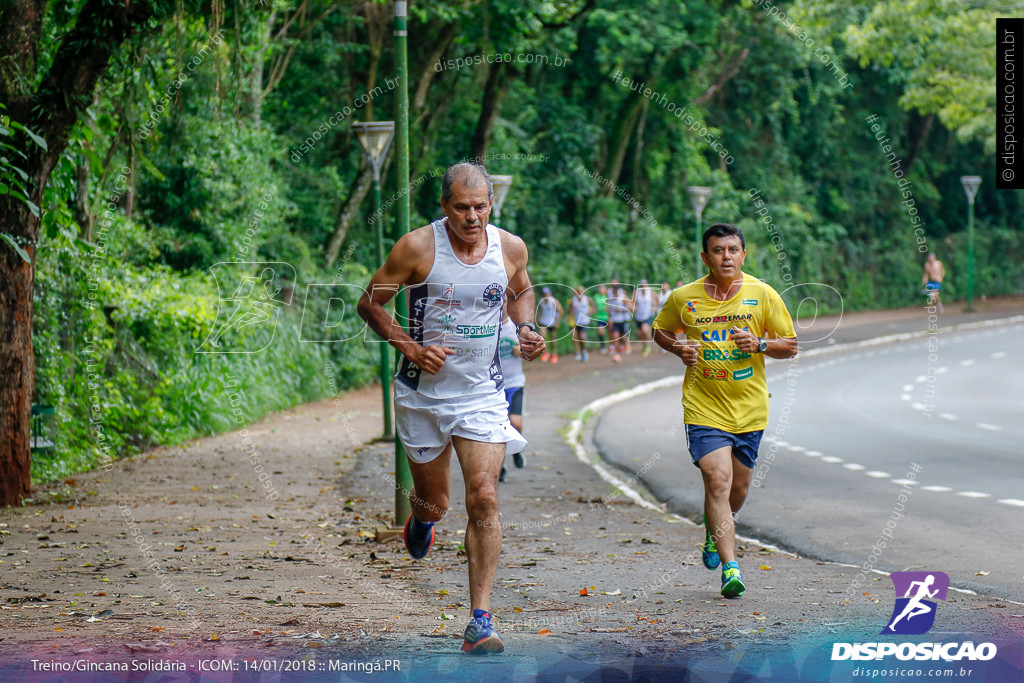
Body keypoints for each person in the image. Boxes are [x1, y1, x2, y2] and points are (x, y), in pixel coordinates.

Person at [357, 162, 546, 654]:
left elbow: (521, 290)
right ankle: (422, 522)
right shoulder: (417, 247)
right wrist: (411, 348)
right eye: (461, 207)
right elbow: (371, 304)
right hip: (422, 394)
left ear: (490, 205)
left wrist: (525, 328)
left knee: (483, 496)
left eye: (480, 207)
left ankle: (480, 619)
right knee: (435, 502)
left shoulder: (509, 247)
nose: (472, 217)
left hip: (482, 393)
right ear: (444, 207)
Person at [653, 223, 797, 598]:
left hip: (749, 408)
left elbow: (791, 345)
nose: (726, 256)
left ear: (743, 254)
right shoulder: (685, 297)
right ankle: (731, 568)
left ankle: (713, 534)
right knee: (718, 481)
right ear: (705, 257)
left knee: (738, 488)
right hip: (704, 407)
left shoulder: (762, 294)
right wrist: (677, 349)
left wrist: (761, 343)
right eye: (718, 250)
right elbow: (660, 330)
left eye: (733, 249)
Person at [496, 313, 527, 481]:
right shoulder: (488, 325)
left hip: (515, 382)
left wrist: (522, 351)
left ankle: (517, 450)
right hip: (494, 386)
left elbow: (532, 351)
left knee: (515, 422)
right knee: (497, 429)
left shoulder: (518, 327)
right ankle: (501, 466)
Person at [607, 280, 633, 362]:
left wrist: (621, 310)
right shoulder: (610, 296)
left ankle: (627, 345)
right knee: (615, 337)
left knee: (623, 336)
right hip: (615, 320)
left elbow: (631, 308)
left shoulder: (622, 297)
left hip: (623, 320)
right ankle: (617, 354)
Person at [567, 285, 595, 361]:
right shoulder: (573, 300)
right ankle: (577, 352)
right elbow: (570, 310)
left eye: (581, 291)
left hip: (584, 321)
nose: (580, 293)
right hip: (575, 322)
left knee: (582, 337)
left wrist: (591, 310)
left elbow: (594, 308)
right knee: (575, 337)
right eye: (578, 291)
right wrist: (569, 314)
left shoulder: (588, 299)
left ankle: (584, 351)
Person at [537, 286, 564, 363]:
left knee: (553, 339)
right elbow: (540, 311)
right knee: (543, 337)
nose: (545, 295)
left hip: (552, 322)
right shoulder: (541, 301)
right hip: (543, 322)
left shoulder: (554, 301)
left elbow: (561, 311)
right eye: (544, 293)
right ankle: (546, 353)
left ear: (550, 293)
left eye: (547, 293)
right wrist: (539, 319)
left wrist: (557, 322)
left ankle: (554, 354)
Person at [633, 280, 656, 357]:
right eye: (642, 285)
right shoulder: (637, 292)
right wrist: (633, 307)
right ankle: (645, 346)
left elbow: (657, 299)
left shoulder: (650, 292)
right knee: (641, 333)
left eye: (644, 285)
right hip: (639, 316)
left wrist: (654, 307)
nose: (643, 287)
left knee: (644, 330)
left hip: (648, 315)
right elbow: (632, 302)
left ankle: (647, 345)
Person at [592, 284, 610, 352]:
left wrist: (608, 309)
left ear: (605, 289)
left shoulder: (608, 296)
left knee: (610, 332)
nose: (601, 290)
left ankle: (612, 345)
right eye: (600, 288)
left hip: (608, 317)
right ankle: (603, 346)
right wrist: (592, 310)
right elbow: (594, 306)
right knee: (601, 331)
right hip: (599, 317)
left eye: (602, 288)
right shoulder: (596, 296)